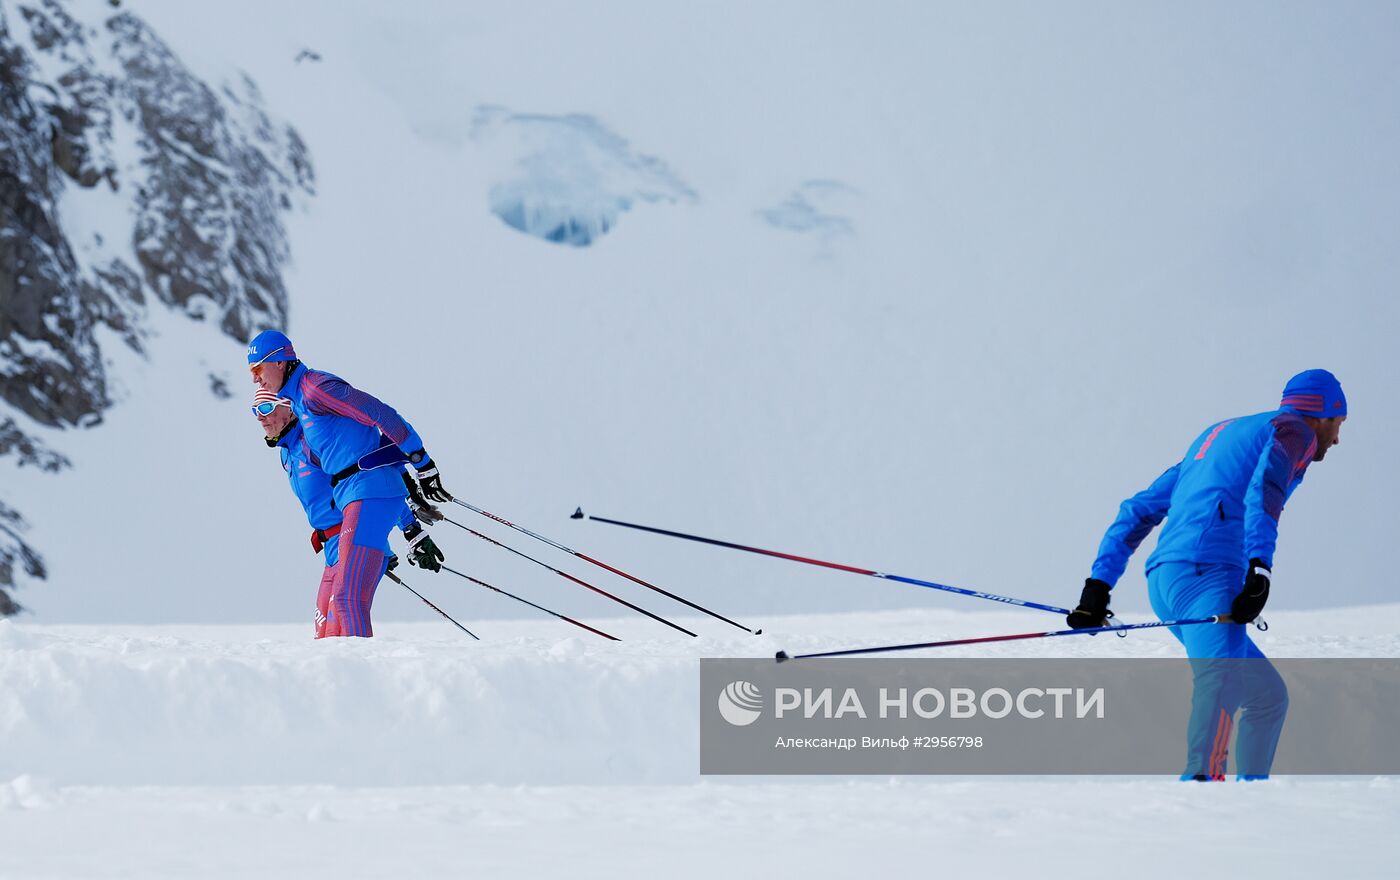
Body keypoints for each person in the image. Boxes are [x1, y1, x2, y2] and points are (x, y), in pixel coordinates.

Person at [1068, 369, 1347, 780]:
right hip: (1208, 576)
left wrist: (1097, 589)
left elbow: (1138, 510)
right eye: (1338, 425)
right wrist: (1259, 569)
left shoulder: (1217, 435)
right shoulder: (1296, 431)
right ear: (1321, 414)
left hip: (1165, 581)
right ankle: (1201, 789)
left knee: (1267, 697)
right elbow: (1265, 492)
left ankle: (1252, 797)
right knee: (1222, 680)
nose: (1337, 439)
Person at [248, 330, 451, 637]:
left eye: (258, 369)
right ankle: (346, 678)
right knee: (332, 626)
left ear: (279, 362)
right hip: (357, 496)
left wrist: (421, 462)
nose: (255, 379)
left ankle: (363, 680)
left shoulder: (316, 389)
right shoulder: (301, 405)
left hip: (368, 490)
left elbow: (378, 413)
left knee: (347, 600)